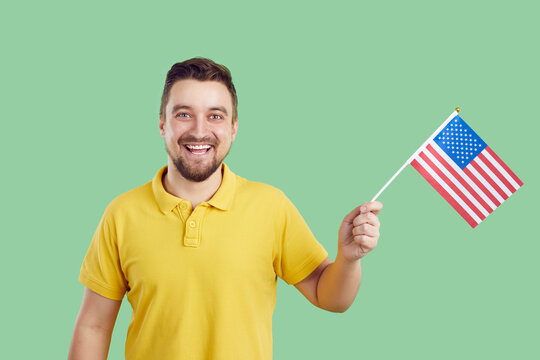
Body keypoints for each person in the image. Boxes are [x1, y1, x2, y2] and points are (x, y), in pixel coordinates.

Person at [68, 57, 383, 360]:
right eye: (183, 114)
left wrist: (348, 258)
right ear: (162, 123)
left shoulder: (271, 207)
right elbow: (93, 327)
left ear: (233, 127)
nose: (199, 130)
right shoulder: (122, 214)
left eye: (215, 115)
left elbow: (330, 297)